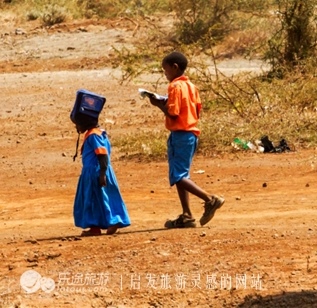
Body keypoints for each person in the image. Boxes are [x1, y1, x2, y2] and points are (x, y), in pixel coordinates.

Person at [147, 51, 224, 228]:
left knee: (178, 176)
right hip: (191, 134)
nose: (165, 74)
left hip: (180, 135)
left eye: (165, 71)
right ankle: (187, 215)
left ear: (175, 67)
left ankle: (210, 199)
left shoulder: (174, 86)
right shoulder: (191, 86)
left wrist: (158, 104)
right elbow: (194, 110)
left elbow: (173, 113)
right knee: (182, 175)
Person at [72, 111, 131, 237]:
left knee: (92, 199)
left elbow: (102, 154)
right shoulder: (97, 133)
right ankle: (98, 226)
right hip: (97, 172)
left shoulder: (94, 135)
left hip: (95, 173)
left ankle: (109, 223)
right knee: (101, 198)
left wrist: (102, 174)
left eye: (77, 124)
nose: (77, 128)